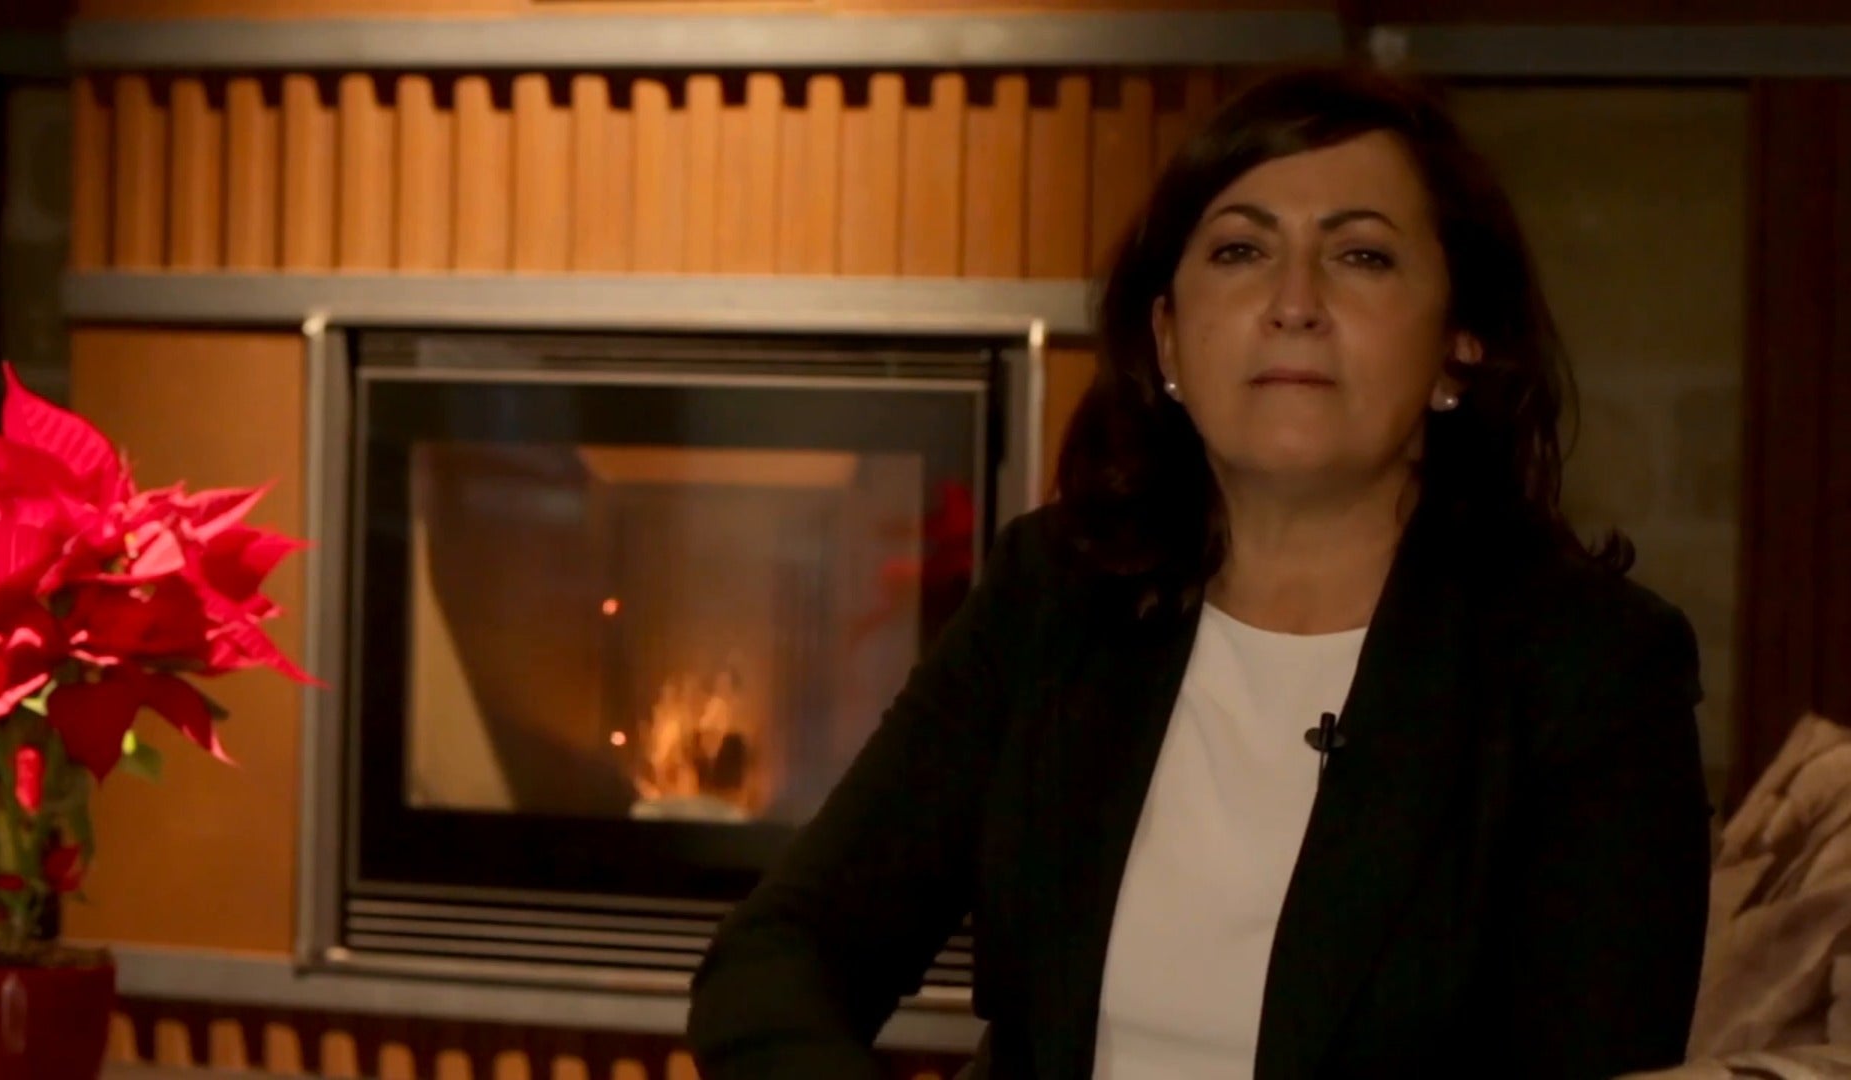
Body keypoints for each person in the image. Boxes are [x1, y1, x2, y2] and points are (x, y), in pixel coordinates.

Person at [686, 64, 1711, 1080]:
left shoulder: (1592, 667)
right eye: (1239, 250)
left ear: (1458, 345)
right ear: (1169, 339)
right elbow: (782, 952)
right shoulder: (1056, 595)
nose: (1294, 302)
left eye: (1361, 255)